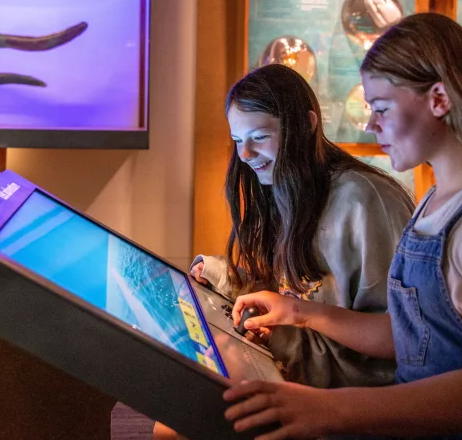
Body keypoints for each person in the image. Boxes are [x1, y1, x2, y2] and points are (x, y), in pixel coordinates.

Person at [223, 12, 462, 440]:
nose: (372, 125)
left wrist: (328, 408)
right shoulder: (436, 201)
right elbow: (409, 336)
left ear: (440, 99)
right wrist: (299, 312)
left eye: (382, 108)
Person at [152, 63, 416, 439]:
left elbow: (393, 345)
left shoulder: (363, 201)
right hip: (306, 378)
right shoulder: (281, 187)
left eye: (259, 136)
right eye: (237, 139)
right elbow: (288, 288)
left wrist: (285, 329)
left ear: (305, 126)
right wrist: (220, 278)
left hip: (356, 403)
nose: (244, 153)